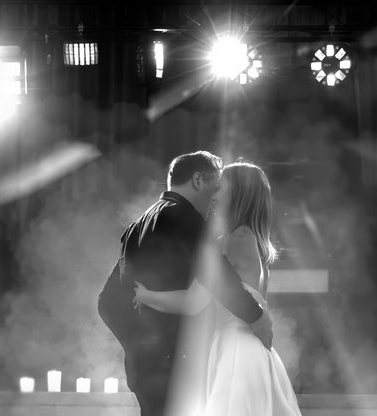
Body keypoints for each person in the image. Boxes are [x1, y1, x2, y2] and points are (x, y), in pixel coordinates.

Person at [97, 151, 273, 416]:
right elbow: (219, 280)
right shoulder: (186, 219)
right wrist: (256, 316)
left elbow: (107, 303)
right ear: (198, 181)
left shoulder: (136, 226)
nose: (215, 196)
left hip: (149, 369)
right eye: (216, 185)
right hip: (176, 364)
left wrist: (139, 348)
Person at [133, 161, 301, 416]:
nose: (214, 193)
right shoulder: (251, 240)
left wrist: (146, 295)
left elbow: (193, 302)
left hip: (236, 353)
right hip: (254, 354)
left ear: (238, 194)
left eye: (221, 187)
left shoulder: (233, 241)